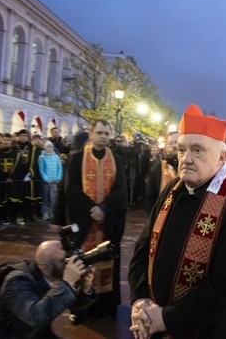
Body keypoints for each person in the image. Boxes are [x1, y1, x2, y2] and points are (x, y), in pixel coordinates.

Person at [128, 104, 226, 339]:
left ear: (222, 157)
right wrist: (140, 299)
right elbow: (142, 249)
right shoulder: (171, 188)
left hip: (201, 330)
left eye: (197, 150)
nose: (185, 159)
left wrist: (168, 319)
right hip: (150, 319)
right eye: (181, 149)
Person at [65, 119, 127, 320]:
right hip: (85, 222)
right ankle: (81, 308)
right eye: (99, 132)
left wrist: (104, 209)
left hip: (107, 223)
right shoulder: (77, 158)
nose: (103, 137)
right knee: (82, 263)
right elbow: (70, 188)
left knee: (107, 261)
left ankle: (105, 306)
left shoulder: (117, 159)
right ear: (91, 133)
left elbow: (120, 190)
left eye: (107, 134)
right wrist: (91, 209)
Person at [0, 240, 95, 338]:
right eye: (63, 261)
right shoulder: (17, 281)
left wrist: (85, 288)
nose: (68, 265)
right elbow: (36, 317)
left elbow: (73, 305)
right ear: (47, 267)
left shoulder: (49, 275)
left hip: (28, 333)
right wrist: (67, 283)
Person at [143, 131, 179, 214]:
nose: (174, 146)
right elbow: (149, 197)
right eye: (171, 143)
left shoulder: (189, 166)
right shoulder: (157, 168)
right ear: (166, 146)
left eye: (176, 142)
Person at [38, 141, 63, 222]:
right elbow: (41, 169)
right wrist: (46, 179)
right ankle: (45, 213)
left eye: (50, 146)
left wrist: (58, 178)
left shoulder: (56, 157)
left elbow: (59, 168)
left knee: (53, 198)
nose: (49, 148)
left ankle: (51, 212)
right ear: (45, 148)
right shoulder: (42, 157)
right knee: (45, 198)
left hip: (54, 181)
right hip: (46, 181)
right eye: (47, 147)